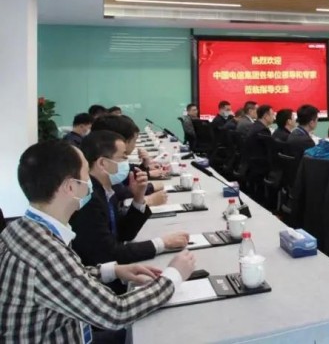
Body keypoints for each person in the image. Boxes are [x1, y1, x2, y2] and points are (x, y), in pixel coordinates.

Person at [0, 140, 196, 343]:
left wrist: (113, 271)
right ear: (71, 187)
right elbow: (116, 312)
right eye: (86, 174)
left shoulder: (20, 228)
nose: (91, 181)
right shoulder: (47, 254)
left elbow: (65, 278)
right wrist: (174, 276)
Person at [71, 131, 189, 270]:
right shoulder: (88, 199)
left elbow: (124, 234)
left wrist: (139, 197)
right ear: (103, 163)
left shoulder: (105, 189)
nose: (127, 163)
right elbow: (109, 253)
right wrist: (162, 243)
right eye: (123, 157)